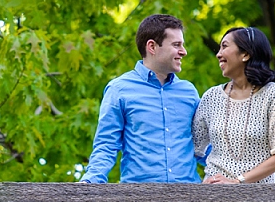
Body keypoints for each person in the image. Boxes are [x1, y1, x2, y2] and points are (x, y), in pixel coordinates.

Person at [80, 14, 201, 183]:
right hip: (138, 199)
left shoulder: (189, 92)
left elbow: (204, 146)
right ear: (152, 46)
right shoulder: (119, 89)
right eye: (176, 45)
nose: (184, 51)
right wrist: (90, 181)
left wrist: (233, 176)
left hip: (190, 197)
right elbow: (106, 145)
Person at [194, 26, 275, 184]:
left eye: (225, 46)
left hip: (259, 200)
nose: (218, 54)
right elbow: (192, 148)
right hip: (213, 197)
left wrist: (237, 182)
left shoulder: (273, 94)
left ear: (245, 54)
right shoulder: (211, 97)